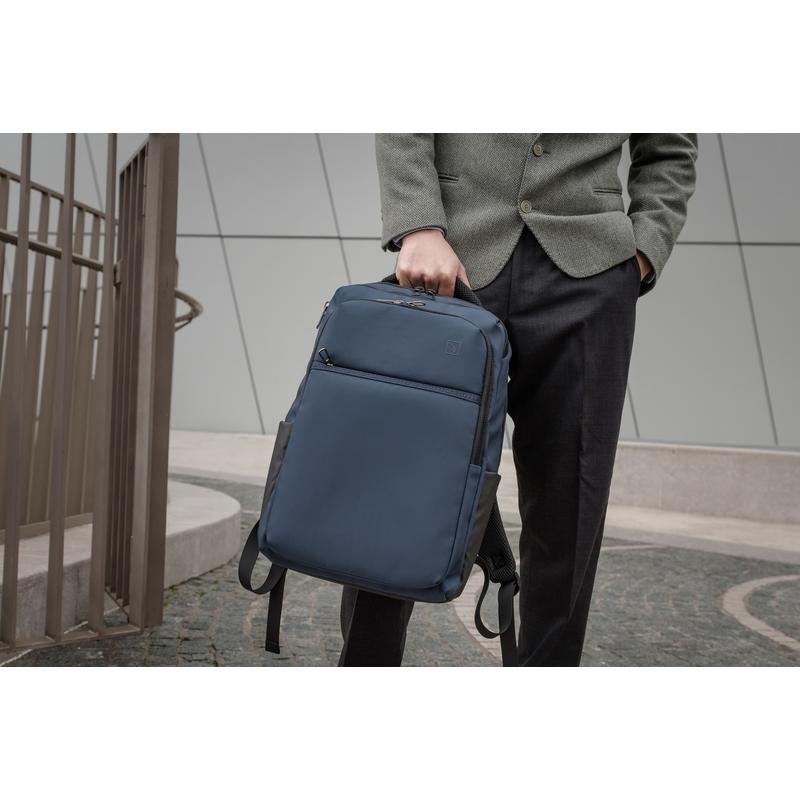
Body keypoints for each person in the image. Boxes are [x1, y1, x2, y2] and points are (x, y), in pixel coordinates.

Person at [338, 134, 698, 667]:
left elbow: (671, 149)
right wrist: (419, 225)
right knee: (400, 486)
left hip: (590, 276)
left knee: (570, 507)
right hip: (448, 266)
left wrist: (642, 252)